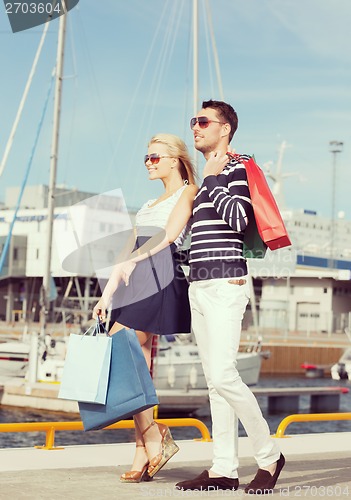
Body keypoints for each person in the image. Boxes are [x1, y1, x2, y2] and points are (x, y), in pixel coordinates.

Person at [175, 100, 285, 494]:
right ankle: (224, 468)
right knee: (213, 383)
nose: (195, 127)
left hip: (226, 283)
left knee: (224, 374)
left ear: (225, 129)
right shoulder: (206, 176)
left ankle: (269, 457)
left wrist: (212, 180)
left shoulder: (234, 168)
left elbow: (240, 219)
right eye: (193, 121)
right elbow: (193, 241)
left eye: (203, 121)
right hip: (199, 286)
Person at [93, 133, 198, 483]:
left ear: (174, 159)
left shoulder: (188, 191)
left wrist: (133, 261)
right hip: (136, 276)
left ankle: (152, 438)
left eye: (154, 157)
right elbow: (127, 252)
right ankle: (145, 448)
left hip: (161, 271)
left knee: (131, 356)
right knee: (137, 362)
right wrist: (106, 295)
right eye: (146, 158)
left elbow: (168, 236)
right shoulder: (149, 204)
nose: (148, 163)